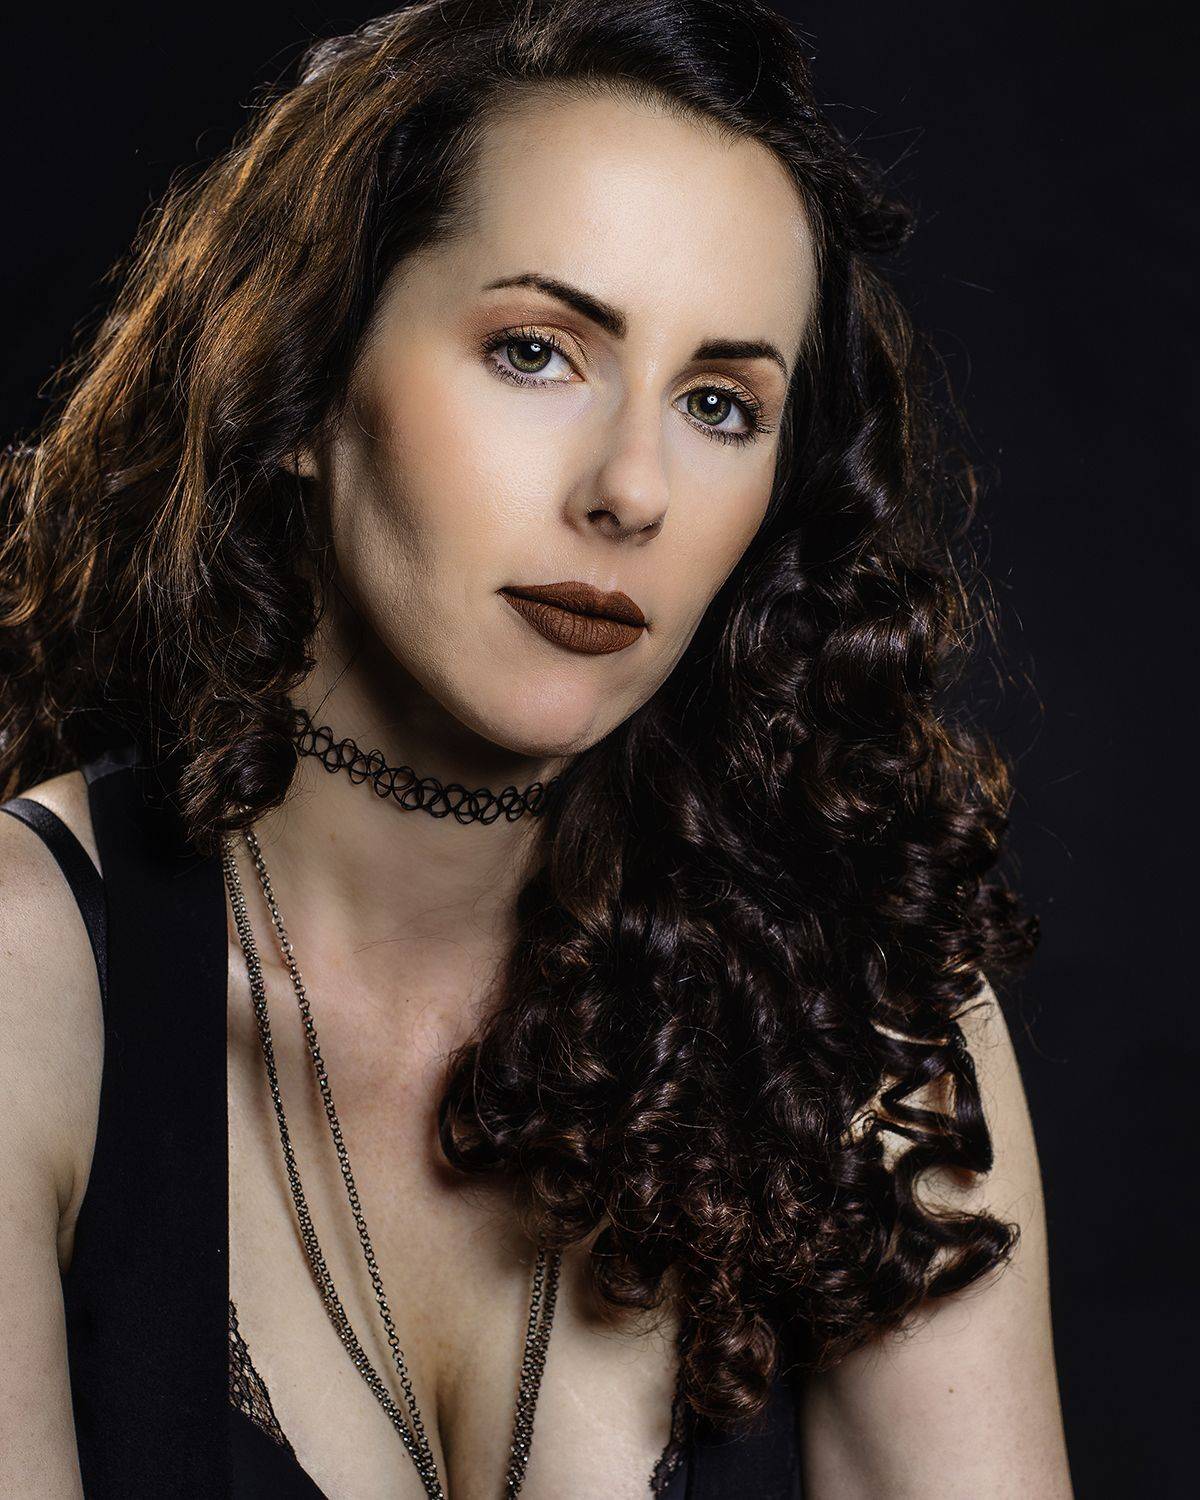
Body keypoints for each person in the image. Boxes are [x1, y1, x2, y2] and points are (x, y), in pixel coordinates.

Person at [0, 1, 1074, 1496]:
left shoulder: (862, 1014)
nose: (632, 489)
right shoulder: (32, 974)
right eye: (534, 351)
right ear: (299, 382)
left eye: (720, 404)